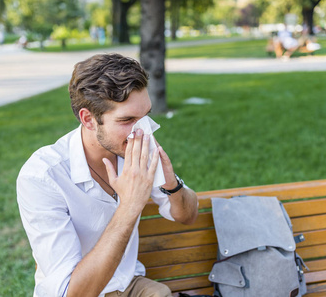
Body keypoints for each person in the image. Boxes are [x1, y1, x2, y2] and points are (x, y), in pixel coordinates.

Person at [17, 53, 199, 297]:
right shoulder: (43, 176)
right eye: (127, 120)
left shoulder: (134, 147)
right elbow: (73, 293)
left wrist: (172, 185)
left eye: (146, 115)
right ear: (89, 119)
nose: (143, 130)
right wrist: (130, 204)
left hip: (129, 284)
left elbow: (187, 216)